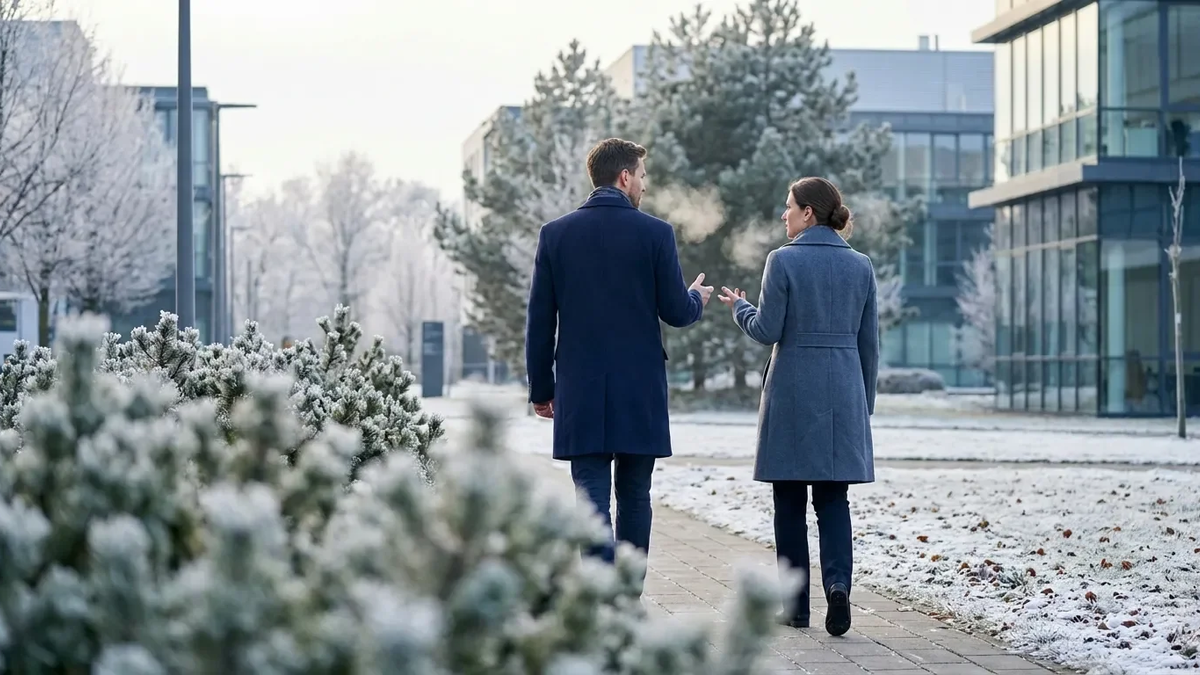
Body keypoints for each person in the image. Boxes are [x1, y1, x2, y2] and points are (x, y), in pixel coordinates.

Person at [524, 137, 713, 569]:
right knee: (634, 494)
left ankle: (597, 586)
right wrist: (696, 298)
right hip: (638, 387)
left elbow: (540, 320)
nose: (644, 186)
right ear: (625, 176)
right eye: (642, 176)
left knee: (589, 491)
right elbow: (676, 312)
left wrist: (541, 388)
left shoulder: (555, 235)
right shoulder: (656, 233)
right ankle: (627, 591)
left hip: (580, 385)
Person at [717, 176, 878, 637]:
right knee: (833, 500)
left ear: (808, 212)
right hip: (843, 394)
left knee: (788, 503)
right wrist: (861, 404)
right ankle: (839, 587)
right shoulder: (861, 266)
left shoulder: (782, 260)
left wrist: (740, 309)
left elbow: (768, 330)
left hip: (792, 392)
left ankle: (796, 606)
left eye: (788, 206)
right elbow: (870, 344)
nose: (783, 214)